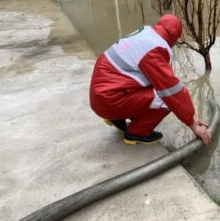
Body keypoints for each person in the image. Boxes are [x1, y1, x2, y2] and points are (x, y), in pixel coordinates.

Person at [90, 14, 212, 145]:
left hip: (101, 97)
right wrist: (193, 125)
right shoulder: (155, 49)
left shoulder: (146, 34)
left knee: (154, 88)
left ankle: (116, 119)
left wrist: (192, 115)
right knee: (165, 100)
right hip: (110, 101)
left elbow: (167, 81)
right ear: (175, 38)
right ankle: (137, 133)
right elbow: (172, 92)